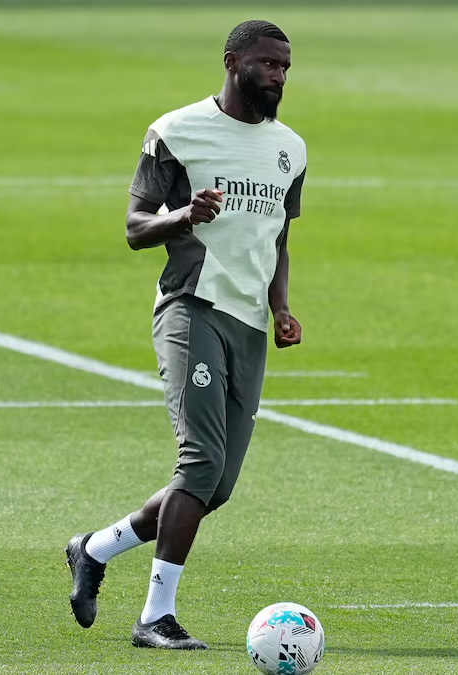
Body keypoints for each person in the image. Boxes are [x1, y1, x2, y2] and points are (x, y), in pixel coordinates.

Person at [64, 19, 307, 650]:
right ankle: (155, 617)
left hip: (250, 322)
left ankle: (93, 548)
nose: (277, 76)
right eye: (266, 65)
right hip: (191, 306)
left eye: (284, 66)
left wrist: (282, 309)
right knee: (198, 463)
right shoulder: (175, 131)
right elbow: (135, 227)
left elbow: (278, 239)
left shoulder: (292, 149)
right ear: (231, 63)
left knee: (215, 486)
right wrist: (183, 214)